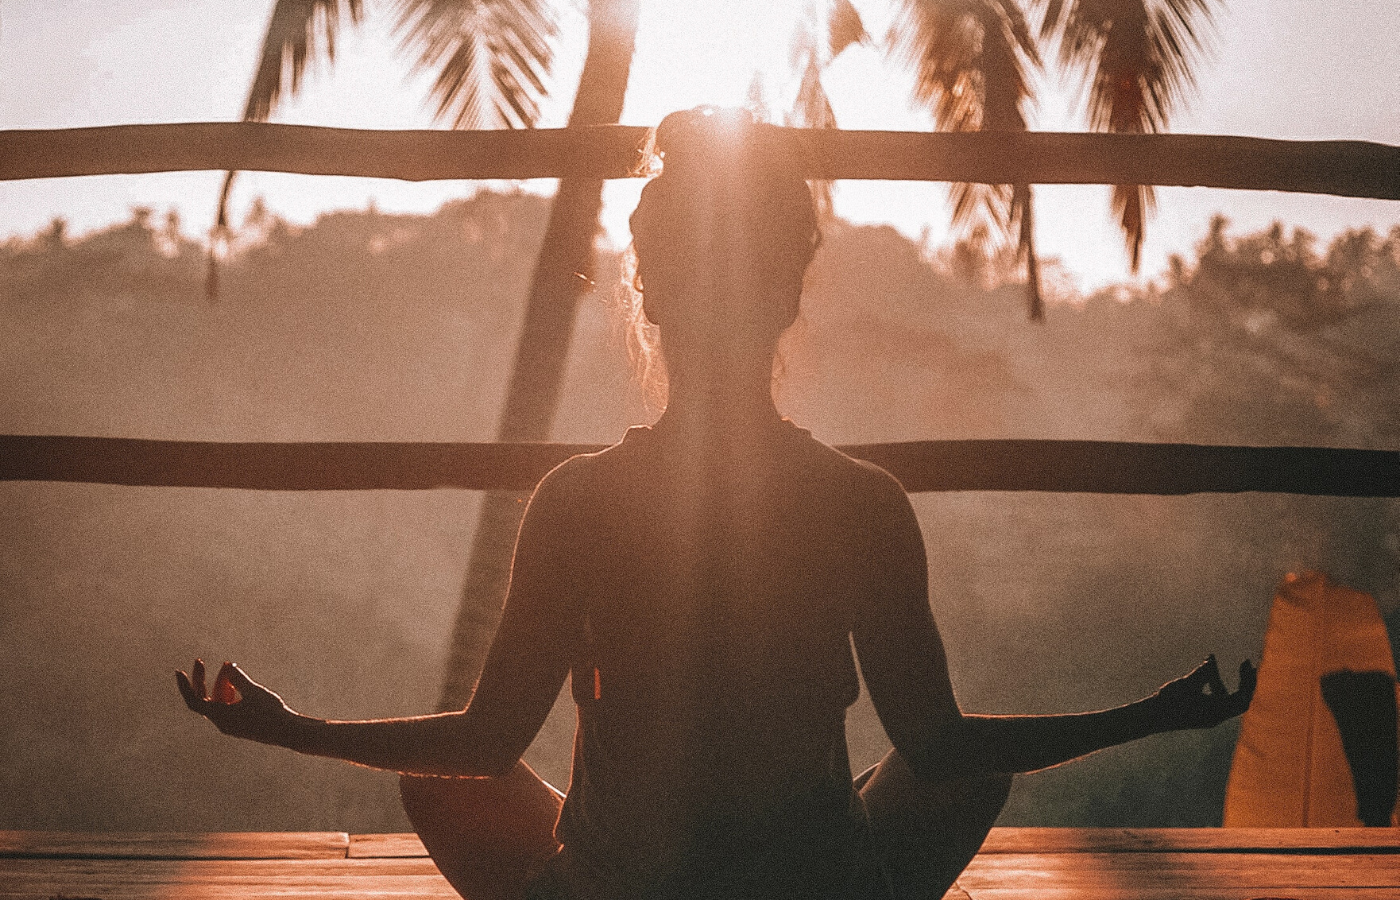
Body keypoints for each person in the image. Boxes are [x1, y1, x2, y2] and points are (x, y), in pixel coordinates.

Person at [178, 107, 1256, 900]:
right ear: (788, 291)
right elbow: (937, 747)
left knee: (436, 785)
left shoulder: (578, 499)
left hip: (621, 891)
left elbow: (483, 739)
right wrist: (1150, 714)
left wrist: (291, 729)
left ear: (645, 290)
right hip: (810, 887)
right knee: (960, 777)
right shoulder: (858, 502)